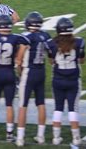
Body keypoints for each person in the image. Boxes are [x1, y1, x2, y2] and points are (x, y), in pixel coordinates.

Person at [0, 14, 28, 143]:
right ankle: (9, 134)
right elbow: (25, 43)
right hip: (9, 73)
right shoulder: (16, 38)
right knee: (9, 105)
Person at [46, 17, 85, 147]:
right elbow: (82, 60)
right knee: (73, 109)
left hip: (58, 79)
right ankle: (76, 138)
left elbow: (51, 61)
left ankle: (56, 137)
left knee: (58, 108)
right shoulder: (79, 42)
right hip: (73, 80)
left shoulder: (51, 43)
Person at [16, 12, 51, 147]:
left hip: (29, 71)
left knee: (22, 105)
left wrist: (20, 74)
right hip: (41, 71)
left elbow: (19, 60)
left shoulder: (26, 37)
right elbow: (51, 55)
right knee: (40, 103)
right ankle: (41, 136)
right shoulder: (45, 36)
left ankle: (20, 138)